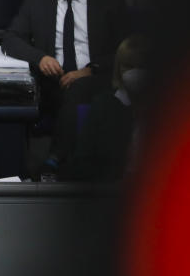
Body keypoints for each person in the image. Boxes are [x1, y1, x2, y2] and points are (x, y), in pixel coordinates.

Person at [2, 0, 129, 171]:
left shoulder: (111, 1)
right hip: (51, 78)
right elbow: (11, 39)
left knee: (76, 88)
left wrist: (90, 70)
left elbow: (126, 50)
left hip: (95, 79)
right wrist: (40, 58)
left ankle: (56, 158)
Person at [63, 35, 150, 182]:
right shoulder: (103, 107)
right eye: (129, 66)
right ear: (118, 69)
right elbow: (83, 163)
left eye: (141, 66)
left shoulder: (168, 109)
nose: (135, 73)